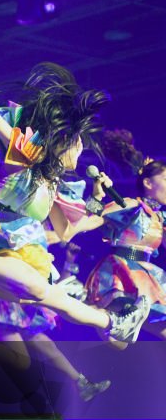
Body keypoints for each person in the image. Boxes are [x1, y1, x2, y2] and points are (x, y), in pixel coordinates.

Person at [0, 37, 150, 343]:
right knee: (41, 290)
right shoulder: (27, 155)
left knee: (40, 295)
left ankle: (113, 322)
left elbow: (68, 231)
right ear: (63, 142)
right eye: (78, 145)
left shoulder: (57, 186)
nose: (81, 151)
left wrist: (97, 202)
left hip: (12, 255)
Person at [81, 129, 166, 344]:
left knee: (123, 341)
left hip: (148, 278)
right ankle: (81, 307)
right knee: (117, 342)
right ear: (148, 183)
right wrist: (96, 194)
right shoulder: (132, 205)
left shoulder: (160, 218)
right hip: (121, 272)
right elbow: (92, 216)